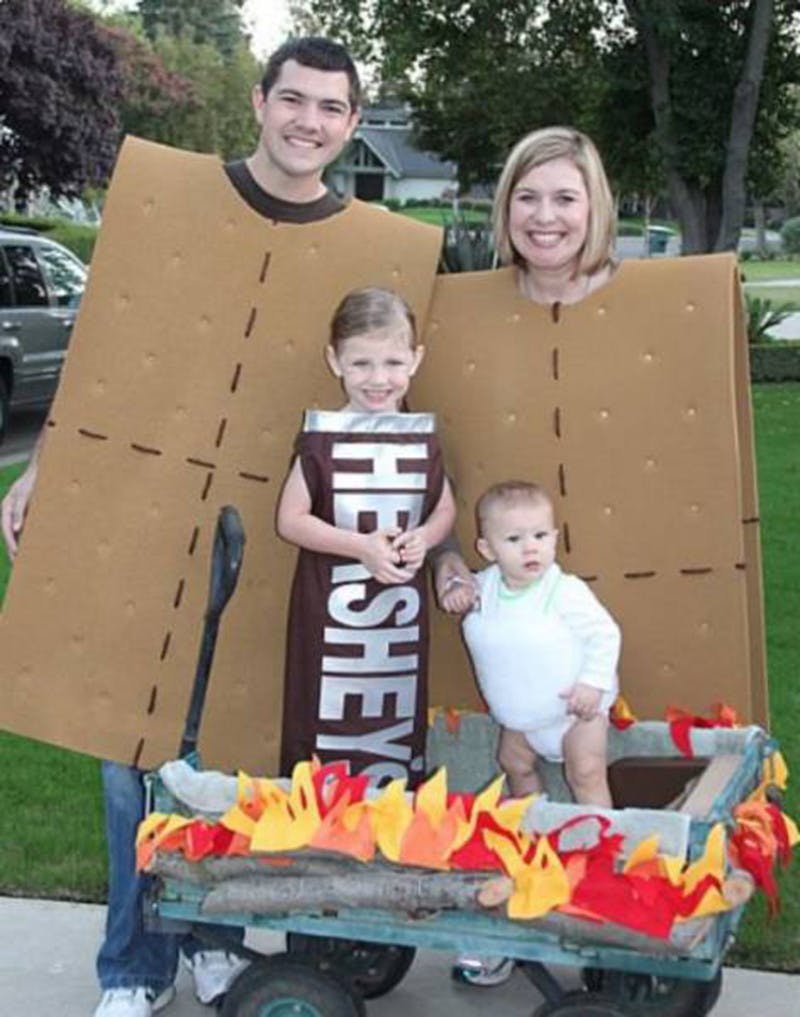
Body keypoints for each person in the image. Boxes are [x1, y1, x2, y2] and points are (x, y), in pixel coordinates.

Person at [1, 36, 366, 1017]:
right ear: (260, 101)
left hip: (273, 524)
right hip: (152, 508)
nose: (308, 122)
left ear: (351, 125)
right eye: (294, 99)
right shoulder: (173, 203)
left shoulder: (366, 247)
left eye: (330, 108)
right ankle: (132, 965)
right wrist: (46, 470)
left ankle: (209, 938)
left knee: (236, 753)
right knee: (134, 749)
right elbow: (107, 345)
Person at [436, 125, 618, 989]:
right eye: (528, 195)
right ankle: (509, 902)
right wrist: (452, 563)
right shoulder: (460, 314)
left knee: (587, 781)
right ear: (506, 206)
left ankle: (608, 893)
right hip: (507, 673)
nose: (545, 216)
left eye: (566, 196)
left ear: (597, 208)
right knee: (512, 778)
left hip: (576, 670)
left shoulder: (644, 312)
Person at [276, 286, 456, 785]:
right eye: (361, 365)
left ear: (416, 360)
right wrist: (359, 547)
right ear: (334, 361)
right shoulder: (321, 438)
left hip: (397, 622)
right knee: (323, 722)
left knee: (392, 732)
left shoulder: (423, 437)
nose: (379, 380)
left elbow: (445, 508)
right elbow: (289, 519)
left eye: (393, 363)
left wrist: (425, 536)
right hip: (332, 616)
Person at [463, 480, 620, 801]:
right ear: (488, 550)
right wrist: (455, 589)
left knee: (586, 771)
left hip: (576, 711)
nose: (530, 547)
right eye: (514, 539)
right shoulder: (485, 589)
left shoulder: (563, 590)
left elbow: (604, 634)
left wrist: (592, 683)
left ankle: (603, 835)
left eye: (540, 536)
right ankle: (533, 819)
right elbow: (461, 588)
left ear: (554, 538)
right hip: (523, 717)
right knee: (513, 763)